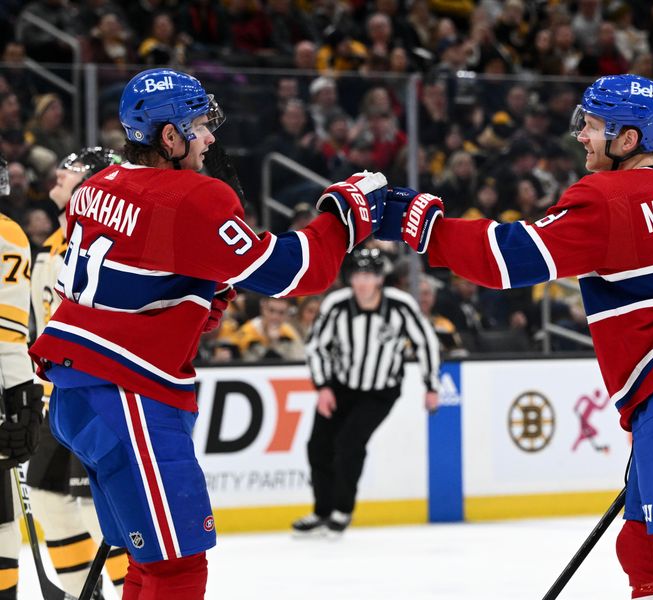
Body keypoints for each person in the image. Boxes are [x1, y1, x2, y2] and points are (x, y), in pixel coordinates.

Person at [377, 74, 653, 600]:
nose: (581, 134)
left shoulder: (608, 197)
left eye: (592, 125)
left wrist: (419, 221)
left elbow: (512, 257)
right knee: (641, 548)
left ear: (627, 140)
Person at [28, 68, 388, 600]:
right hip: (131, 394)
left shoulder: (93, 189)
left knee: (148, 564)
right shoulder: (191, 198)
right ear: (168, 137)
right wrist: (345, 216)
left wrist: (209, 283)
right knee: (178, 568)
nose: (211, 137)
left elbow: (155, 280)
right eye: (199, 125)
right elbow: (292, 272)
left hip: (78, 395)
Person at [28, 147, 129, 598]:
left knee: (96, 506)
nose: (59, 173)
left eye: (70, 170)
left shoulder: (102, 242)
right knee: (49, 498)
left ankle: (137, 590)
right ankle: (80, 594)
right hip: (55, 398)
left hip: (96, 393)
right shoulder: (52, 244)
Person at [293, 248, 440, 536]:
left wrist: (430, 385)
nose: (362, 283)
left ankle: (342, 510)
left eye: (369, 276)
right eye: (357, 275)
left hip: (380, 391)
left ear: (379, 280)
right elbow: (316, 346)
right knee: (318, 446)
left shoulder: (400, 305)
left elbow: (426, 342)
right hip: (340, 386)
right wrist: (323, 386)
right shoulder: (336, 304)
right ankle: (322, 511)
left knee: (349, 443)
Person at [0, 152, 45, 599]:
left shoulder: (7, 235)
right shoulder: (10, 234)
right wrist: (20, 390)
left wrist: (20, 391)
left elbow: (6, 330)